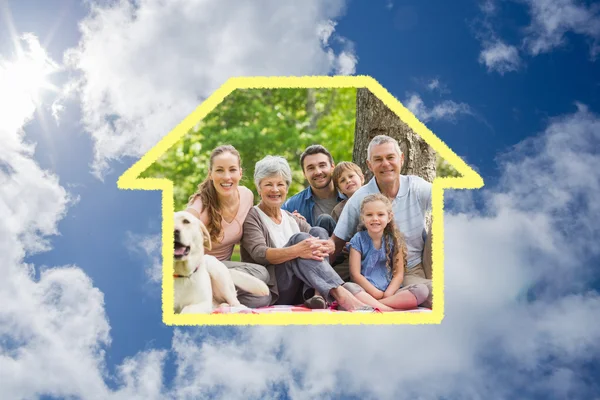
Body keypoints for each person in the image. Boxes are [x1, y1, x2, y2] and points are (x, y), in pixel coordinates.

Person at [240, 155, 380, 311]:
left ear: (286, 188)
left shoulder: (292, 219)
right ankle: (341, 296)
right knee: (300, 239)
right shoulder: (253, 216)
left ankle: (318, 294)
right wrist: (297, 250)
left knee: (318, 231)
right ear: (259, 188)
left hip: (302, 289)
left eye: (280, 184)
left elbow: (319, 242)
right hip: (275, 289)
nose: (275, 189)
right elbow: (259, 253)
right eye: (268, 184)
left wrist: (333, 245)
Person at [330, 135, 434, 307]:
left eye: (390, 157)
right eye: (378, 159)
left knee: (443, 217)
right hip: (395, 273)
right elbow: (337, 242)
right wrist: (320, 281)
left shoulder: (416, 186)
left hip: (422, 262)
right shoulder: (359, 199)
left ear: (401, 159)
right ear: (370, 165)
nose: (385, 164)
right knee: (434, 295)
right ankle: (383, 306)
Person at [185, 144, 271, 308]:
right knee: (261, 274)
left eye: (232, 170)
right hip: (198, 271)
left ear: (240, 172)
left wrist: (290, 216)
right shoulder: (201, 203)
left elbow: (259, 219)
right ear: (210, 174)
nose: (226, 177)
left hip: (222, 277)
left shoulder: (246, 195)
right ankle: (207, 290)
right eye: (219, 170)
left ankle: (213, 301)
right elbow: (187, 218)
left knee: (262, 298)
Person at [348, 194, 429, 309]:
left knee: (421, 291)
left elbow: (399, 275)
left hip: (390, 292)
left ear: (389, 217)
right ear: (363, 218)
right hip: (366, 291)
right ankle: (389, 309)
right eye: (369, 215)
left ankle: (377, 307)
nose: (375, 218)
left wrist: (387, 294)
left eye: (380, 214)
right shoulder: (358, 239)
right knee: (348, 288)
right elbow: (355, 274)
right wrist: (375, 293)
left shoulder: (395, 240)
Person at [282, 145, 346, 236]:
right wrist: (291, 224)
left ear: (332, 167)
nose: (318, 172)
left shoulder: (350, 196)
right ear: (304, 174)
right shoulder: (291, 205)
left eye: (322, 165)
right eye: (311, 168)